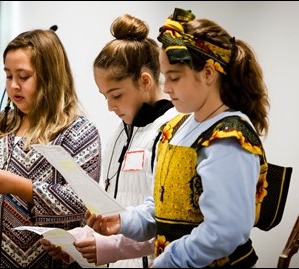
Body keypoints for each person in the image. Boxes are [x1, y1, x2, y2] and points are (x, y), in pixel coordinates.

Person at [85, 7, 271, 268]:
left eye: (174, 77)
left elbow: (224, 232)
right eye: (165, 77)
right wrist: (124, 221)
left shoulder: (229, 137)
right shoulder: (178, 128)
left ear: (208, 73)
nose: (166, 87)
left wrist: (170, 260)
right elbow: (162, 204)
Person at [0, 28, 101, 268]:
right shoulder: (3, 126)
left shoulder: (78, 131)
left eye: (23, 77)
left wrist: (18, 186)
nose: (13, 86)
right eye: (8, 76)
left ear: (50, 77)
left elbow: (82, 204)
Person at [41, 14, 178, 268]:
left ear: (145, 81)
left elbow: (171, 224)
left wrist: (109, 247)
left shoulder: (171, 132)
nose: (110, 106)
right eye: (104, 96)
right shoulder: (119, 133)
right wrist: (77, 239)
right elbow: (112, 210)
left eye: (116, 95)